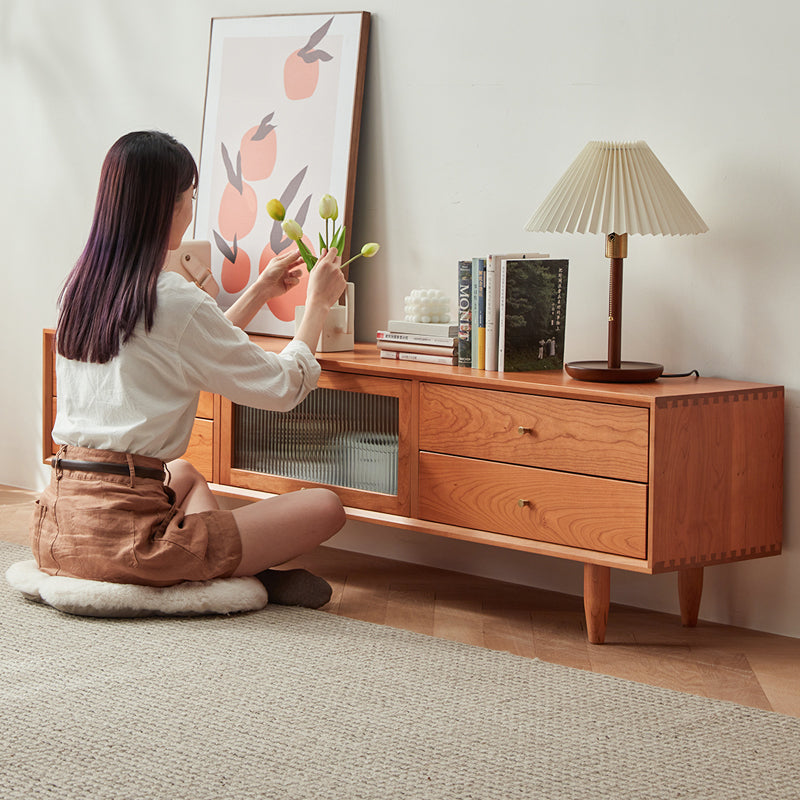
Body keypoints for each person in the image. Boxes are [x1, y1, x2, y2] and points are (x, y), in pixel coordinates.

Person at [31, 130, 348, 608]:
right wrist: (317, 305)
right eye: (189, 196)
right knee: (327, 507)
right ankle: (231, 572)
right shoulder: (173, 299)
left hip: (59, 525)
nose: (191, 208)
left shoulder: (85, 289)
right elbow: (284, 387)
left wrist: (259, 291)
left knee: (187, 474)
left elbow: (183, 345)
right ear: (167, 206)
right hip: (128, 542)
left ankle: (243, 570)